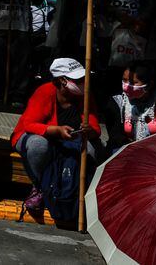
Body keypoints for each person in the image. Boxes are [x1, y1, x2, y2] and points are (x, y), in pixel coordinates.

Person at [11, 58, 104, 211]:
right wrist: (57, 130)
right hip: (35, 137)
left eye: (83, 78)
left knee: (92, 150)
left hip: (72, 141)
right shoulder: (45, 91)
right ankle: (39, 187)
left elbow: (95, 129)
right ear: (62, 80)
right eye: (78, 79)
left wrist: (88, 130)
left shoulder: (86, 95)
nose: (82, 82)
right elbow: (29, 124)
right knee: (38, 145)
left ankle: (77, 192)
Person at [106, 61, 156, 151]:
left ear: (149, 85)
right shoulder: (118, 102)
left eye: (133, 82)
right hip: (127, 150)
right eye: (124, 80)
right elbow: (116, 136)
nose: (126, 86)